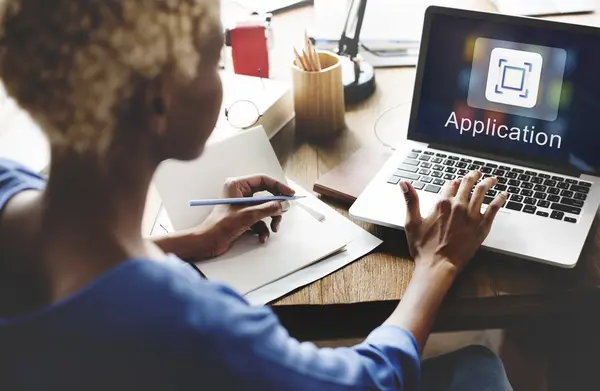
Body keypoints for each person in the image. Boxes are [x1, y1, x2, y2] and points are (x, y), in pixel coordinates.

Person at [0, 1, 512, 390]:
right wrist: (436, 263)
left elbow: (75, 273)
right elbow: (365, 381)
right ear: (160, 99)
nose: (222, 76)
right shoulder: (191, 323)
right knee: (480, 367)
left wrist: (195, 242)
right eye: (213, 61)